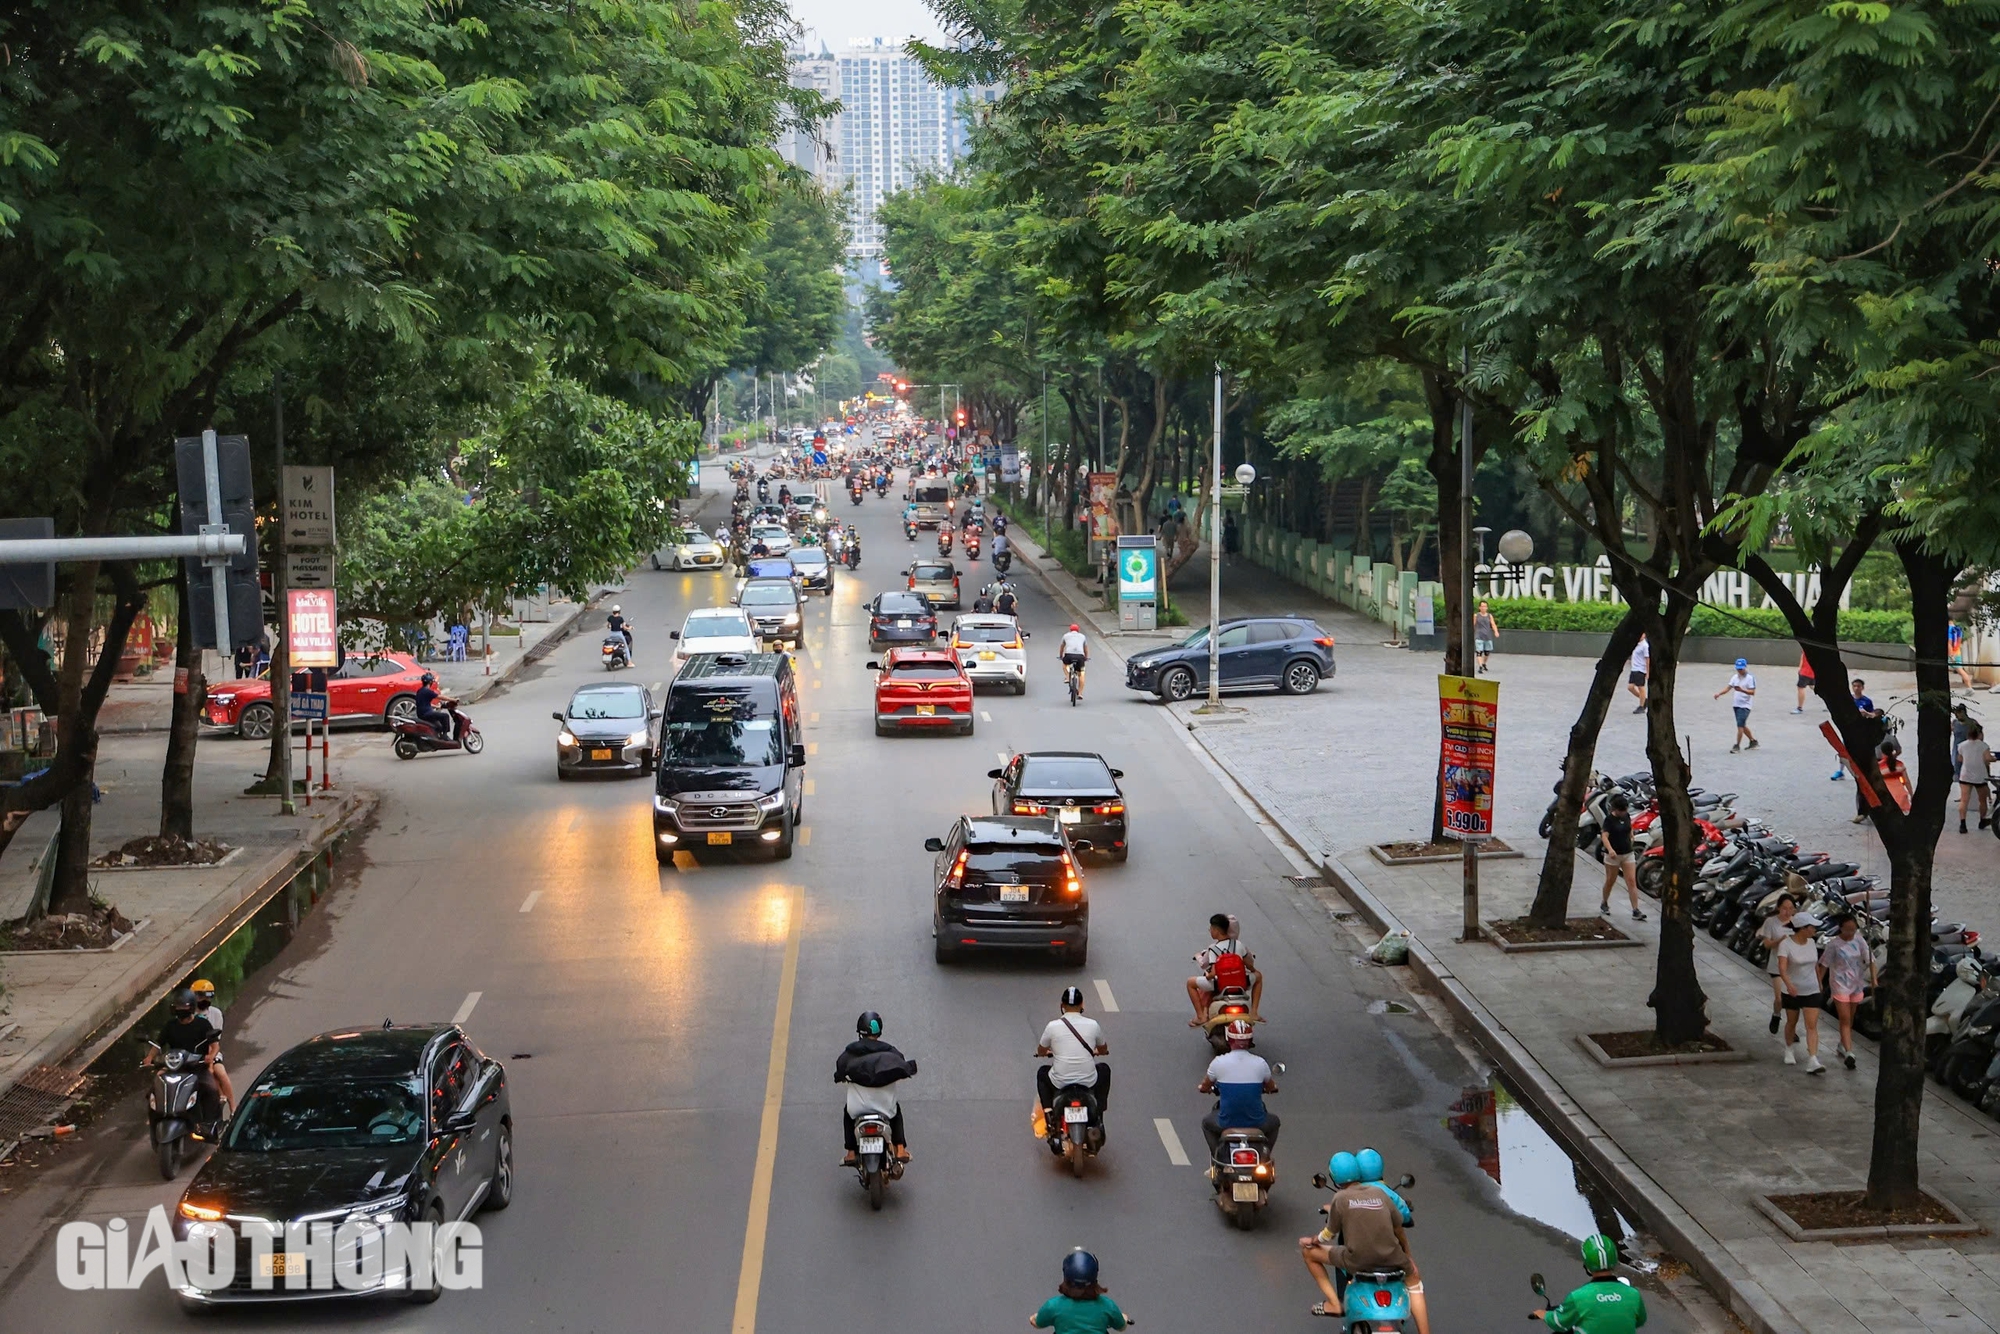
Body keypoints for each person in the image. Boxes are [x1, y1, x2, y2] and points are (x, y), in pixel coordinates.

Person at [1300, 1151, 1422, 1325]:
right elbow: (1399, 1223)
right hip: (1394, 1258)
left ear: (1334, 1177)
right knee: (1416, 1286)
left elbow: (1329, 1233)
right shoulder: (1382, 1194)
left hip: (1357, 1259)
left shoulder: (1340, 1198)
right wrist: (1408, 1256)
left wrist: (1312, 1240)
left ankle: (1335, 1304)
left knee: (1310, 1253)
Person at [1353, 1148, 1430, 1334]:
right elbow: (1404, 1218)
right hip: (1392, 1258)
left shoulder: (1350, 1195)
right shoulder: (1389, 1194)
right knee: (1414, 1283)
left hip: (1358, 1257)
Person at [836, 1011, 917, 1165]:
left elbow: (839, 1070)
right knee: (897, 1112)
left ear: (860, 1031)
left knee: (847, 1114)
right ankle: (900, 1148)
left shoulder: (849, 1053)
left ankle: (851, 1152)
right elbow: (902, 1065)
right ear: (879, 1030)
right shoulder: (891, 1052)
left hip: (857, 1108)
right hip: (885, 1106)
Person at [1532, 1234, 1646, 1334]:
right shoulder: (1634, 1295)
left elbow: (1559, 1323)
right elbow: (1640, 1320)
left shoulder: (1578, 1297)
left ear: (1587, 1265)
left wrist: (1544, 1314)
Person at [1197, 1020, 1278, 1157]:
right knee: (1275, 1122)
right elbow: (1271, 1086)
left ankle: (1218, 1158)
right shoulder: (1260, 1063)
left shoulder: (1218, 1063)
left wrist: (1204, 1088)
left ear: (1229, 1039)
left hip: (1226, 1123)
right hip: (1258, 1123)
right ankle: (1265, 1155)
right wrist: (1271, 1088)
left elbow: (1204, 1086)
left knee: (1206, 1123)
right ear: (1250, 1040)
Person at [1035, 986, 1110, 1133]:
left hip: (1060, 1080)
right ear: (1082, 1004)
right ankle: (1099, 1113)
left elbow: (1041, 1050)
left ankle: (1049, 1113)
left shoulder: (1052, 1026)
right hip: (1088, 1080)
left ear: (1062, 1006)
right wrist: (1098, 1051)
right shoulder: (1093, 1025)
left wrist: (1047, 1052)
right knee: (1105, 1070)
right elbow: (1103, 1049)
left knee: (1042, 1073)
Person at [143, 990, 225, 1115]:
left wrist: (211, 1056)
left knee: (211, 1089)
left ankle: (210, 1122)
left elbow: (215, 1046)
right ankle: (155, 1119)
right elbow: (157, 1045)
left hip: (198, 1069)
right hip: (175, 1068)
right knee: (153, 1091)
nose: (180, 1009)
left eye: (183, 1006)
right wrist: (149, 1057)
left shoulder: (203, 1024)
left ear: (191, 1007)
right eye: (178, 1006)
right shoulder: (170, 1026)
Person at [1823, 914, 1876, 1071]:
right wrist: (1818, 981)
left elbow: (1870, 960)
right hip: (1839, 984)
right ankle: (1850, 1053)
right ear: (1841, 928)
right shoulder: (1834, 945)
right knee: (1845, 1018)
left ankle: (1842, 1044)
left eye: (1854, 929)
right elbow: (1824, 964)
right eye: (1848, 930)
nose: (1851, 933)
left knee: (1850, 1017)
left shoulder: (1859, 940)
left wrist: (1874, 979)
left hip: (1856, 984)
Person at [1187, 912, 1261, 1023]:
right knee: (1259, 977)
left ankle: (1200, 1016)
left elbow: (1212, 973)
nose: (1210, 931)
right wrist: (1253, 971)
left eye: (1211, 928)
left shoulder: (1213, 949)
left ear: (1216, 930)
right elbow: (1250, 965)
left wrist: (1208, 975)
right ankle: (1254, 1012)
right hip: (1241, 982)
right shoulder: (1239, 945)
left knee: (1190, 983)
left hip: (1219, 985)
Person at [1029, 1249, 1128, 1333]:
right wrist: (1124, 1318)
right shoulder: (1108, 1306)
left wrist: (1034, 1318)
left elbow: (1037, 1323)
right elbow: (1121, 1327)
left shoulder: (1052, 1306)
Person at [1777, 913, 1826, 1074]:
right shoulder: (1786, 944)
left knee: (1811, 1025)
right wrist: (1789, 985)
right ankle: (1789, 1048)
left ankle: (1813, 1059)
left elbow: (1815, 966)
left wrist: (1819, 984)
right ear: (1802, 929)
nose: (1814, 930)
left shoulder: (1812, 943)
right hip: (1792, 991)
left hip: (1811, 989)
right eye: (1811, 927)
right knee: (1792, 1021)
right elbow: (1782, 969)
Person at [186, 979, 236, 1106]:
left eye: (208, 998)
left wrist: (211, 1058)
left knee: (220, 1073)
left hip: (211, 1053)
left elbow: (215, 1041)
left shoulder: (216, 1014)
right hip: (190, 1055)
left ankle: (233, 1107)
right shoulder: (186, 1015)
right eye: (201, 997)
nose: (205, 1001)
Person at [1597, 794, 1647, 922]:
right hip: (1613, 856)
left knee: (1631, 881)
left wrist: (1631, 837)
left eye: (1625, 810)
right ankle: (1604, 902)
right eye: (1622, 810)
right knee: (1610, 880)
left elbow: (1629, 828)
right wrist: (1610, 850)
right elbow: (1604, 836)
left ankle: (1635, 909)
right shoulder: (1609, 820)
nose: (1624, 812)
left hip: (1627, 853)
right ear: (1616, 810)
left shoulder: (1627, 816)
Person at [1760, 893, 1798, 1036]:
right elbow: (1767, 944)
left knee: (1793, 1001)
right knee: (1780, 998)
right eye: (1784, 908)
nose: (1787, 912)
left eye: (1790, 909)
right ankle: (1776, 1014)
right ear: (1778, 908)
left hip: (1793, 967)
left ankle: (1791, 1029)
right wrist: (1780, 941)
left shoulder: (1797, 923)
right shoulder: (1771, 922)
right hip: (1777, 966)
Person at [1712, 658, 1758, 752]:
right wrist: (1719, 693)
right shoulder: (1734, 677)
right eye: (1738, 669)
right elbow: (1728, 688)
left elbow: (1752, 692)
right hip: (1736, 704)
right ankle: (1753, 741)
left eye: (1741, 669)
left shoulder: (1750, 678)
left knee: (1740, 726)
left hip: (1745, 705)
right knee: (1742, 724)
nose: (1739, 670)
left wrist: (1742, 690)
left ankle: (1737, 745)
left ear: (1745, 667)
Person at [1957, 723, 1991, 834]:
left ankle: (1962, 824)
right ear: (1980, 733)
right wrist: (1994, 758)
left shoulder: (1961, 745)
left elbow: (1960, 759)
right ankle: (1982, 821)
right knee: (1982, 800)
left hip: (1965, 775)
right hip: (1980, 777)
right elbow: (1988, 758)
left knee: (1964, 800)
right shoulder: (1983, 746)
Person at [413, 671, 454, 742]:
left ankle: (436, 737)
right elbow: (440, 697)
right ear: (430, 682)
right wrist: (453, 700)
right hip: (426, 714)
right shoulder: (427, 691)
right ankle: (444, 735)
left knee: (439, 724)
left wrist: (437, 707)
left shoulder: (420, 691)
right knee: (445, 716)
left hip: (421, 713)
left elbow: (425, 703)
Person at [1059, 623, 1089, 698]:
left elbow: (1062, 647)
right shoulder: (1082, 636)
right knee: (1081, 674)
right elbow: (1085, 649)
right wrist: (1086, 657)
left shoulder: (1066, 635)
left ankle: (1067, 677)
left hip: (1069, 655)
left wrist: (1061, 656)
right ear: (1078, 630)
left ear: (1070, 630)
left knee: (1065, 665)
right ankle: (1080, 693)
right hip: (1080, 656)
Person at [1473, 601, 1498, 674]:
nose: (1484, 608)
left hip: (1487, 636)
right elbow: (1473, 624)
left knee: (1487, 652)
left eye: (1485, 606)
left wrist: (1496, 631)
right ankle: (1480, 666)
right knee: (1479, 652)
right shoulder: (1476, 615)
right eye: (1482, 606)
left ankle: (1483, 663)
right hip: (1479, 636)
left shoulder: (1489, 616)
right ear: (1479, 607)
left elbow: (1493, 624)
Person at [1627, 636, 1650, 712]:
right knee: (1630, 687)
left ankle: (1641, 706)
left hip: (1641, 669)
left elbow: (1647, 659)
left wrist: (1647, 672)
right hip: (1634, 669)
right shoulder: (1636, 644)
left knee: (1641, 687)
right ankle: (1644, 699)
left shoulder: (1645, 646)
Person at [1949, 622, 1974, 691]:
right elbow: (1959, 642)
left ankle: (1969, 688)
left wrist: (1951, 655)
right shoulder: (1958, 629)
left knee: (1960, 671)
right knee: (1961, 671)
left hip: (1951, 654)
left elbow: (1949, 643)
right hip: (1957, 652)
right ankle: (1969, 688)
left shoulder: (1949, 629)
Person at [1794, 649, 1814, 714]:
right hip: (1814, 672)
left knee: (1800, 688)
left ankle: (1799, 708)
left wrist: (1800, 669)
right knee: (1813, 686)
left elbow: (1802, 657)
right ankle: (1830, 704)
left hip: (1806, 672)